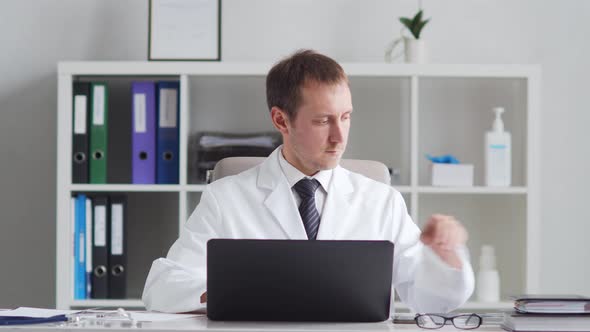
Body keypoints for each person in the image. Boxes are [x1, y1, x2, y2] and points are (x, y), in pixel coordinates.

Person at [142, 49, 474, 314]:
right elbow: (162, 287)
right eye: (322, 121)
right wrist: (228, 289)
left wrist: (447, 257)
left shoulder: (381, 201)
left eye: (345, 117)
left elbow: (428, 300)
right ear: (280, 120)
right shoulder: (226, 197)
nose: (339, 136)